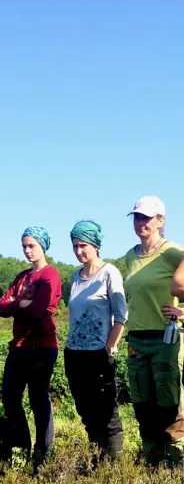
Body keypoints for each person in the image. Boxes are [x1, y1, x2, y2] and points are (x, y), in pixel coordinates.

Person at [123, 196, 184, 463]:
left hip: (165, 338)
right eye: (137, 217)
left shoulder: (173, 252)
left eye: (146, 217)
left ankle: (173, 460)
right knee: (142, 402)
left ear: (161, 220)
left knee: (168, 401)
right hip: (137, 338)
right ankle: (151, 456)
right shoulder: (130, 256)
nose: (141, 222)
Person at [0, 227, 62, 464]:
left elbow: (37, 311)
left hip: (42, 346)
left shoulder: (49, 275)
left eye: (31, 245)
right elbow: (1, 306)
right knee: (10, 397)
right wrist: (19, 304)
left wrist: (20, 304)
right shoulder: (22, 277)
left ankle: (43, 453)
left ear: (43, 246)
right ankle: (20, 446)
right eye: (24, 245)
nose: (27, 250)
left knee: (38, 399)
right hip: (19, 347)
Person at [64, 220, 127, 460]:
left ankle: (113, 469)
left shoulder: (109, 272)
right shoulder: (74, 277)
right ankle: (96, 462)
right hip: (75, 353)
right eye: (74, 246)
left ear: (95, 245)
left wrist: (110, 347)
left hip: (99, 353)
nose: (79, 251)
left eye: (83, 245)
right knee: (86, 411)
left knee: (106, 413)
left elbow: (121, 315)